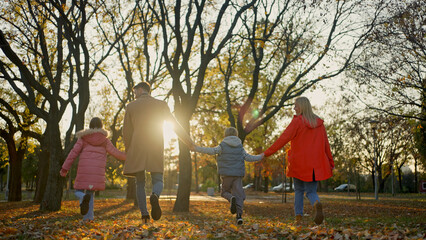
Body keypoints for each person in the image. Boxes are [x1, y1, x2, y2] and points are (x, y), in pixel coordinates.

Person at [122, 82, 194, 223]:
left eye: (135, 91)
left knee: (140, 183)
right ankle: (155, 194)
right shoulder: (161, 104)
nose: (134, 93)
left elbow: (126, 132)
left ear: (141, 89)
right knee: (158, 179)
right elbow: (175, 125)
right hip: (155, 144)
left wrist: (128, 149)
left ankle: (144, 215)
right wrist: (189, 142)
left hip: (137, 146)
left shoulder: (130, 106)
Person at [263, 97, 334, 225]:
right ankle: (316, 203)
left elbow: (283, 139)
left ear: (302, 106)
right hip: (314, 165)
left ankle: (298, 218)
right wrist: (330, 162)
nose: (294, 108)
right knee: (311, 191)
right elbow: (326, 145)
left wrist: (267, 153)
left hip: (298, 164)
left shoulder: (297, 121)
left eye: (296, 106)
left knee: (299, 191)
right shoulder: (319, 124)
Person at [192, 127, 264, 225]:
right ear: (236, 134)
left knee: (224, 192)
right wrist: (261, 156)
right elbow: (249, 157)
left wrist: (196, 148)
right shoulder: (240, 147)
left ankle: (230, 198)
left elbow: (211, 151)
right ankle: (239, 216)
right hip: (238, 175)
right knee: (239, 195)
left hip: (226, 175)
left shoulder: (222, 146)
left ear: (225, 135)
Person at [60, 117, 126, 221]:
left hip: (84, 169)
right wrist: (128, 156)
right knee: (90, 194)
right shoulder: (105, 140)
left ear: (90, 126)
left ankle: (82, 197)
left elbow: (73, 153)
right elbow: (115, 152)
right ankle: (89, 218)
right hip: (97, 171)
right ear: (101, 126)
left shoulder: (83, 138)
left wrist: (65, 168)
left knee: (78, 191)